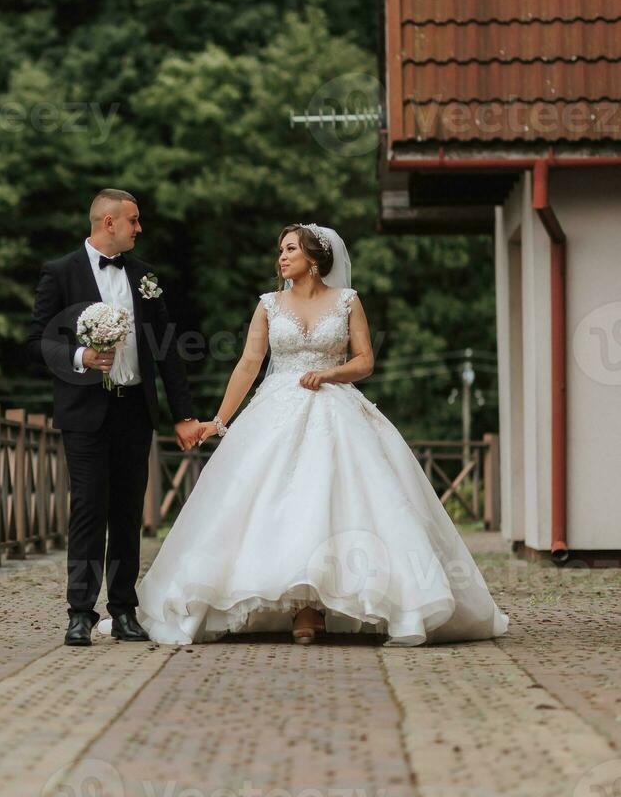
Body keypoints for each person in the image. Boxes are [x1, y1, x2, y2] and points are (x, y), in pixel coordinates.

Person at [133, 223, 508, 645]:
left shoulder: (348, 301)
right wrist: (219, 421)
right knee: (277, 502)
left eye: (290, 249)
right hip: (276, 409)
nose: (282, 257)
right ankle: (299, 607)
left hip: (335, 406)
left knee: (343, 498)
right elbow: (248, 364)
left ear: (314, 259)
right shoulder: (269, 305)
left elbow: (364, 360)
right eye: (280, 250)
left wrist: (331, 373)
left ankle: (369, 602)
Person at [25, 189, 202, 647]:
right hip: (84, 413)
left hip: (134, 410)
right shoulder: (59, 273)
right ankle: (79, 612)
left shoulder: (144, 277)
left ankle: (123, 610)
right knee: (88, 509)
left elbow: (166, 348)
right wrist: (81, 355)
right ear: (109, 223)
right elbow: (35, 342)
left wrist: (183, 414)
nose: (139, 229)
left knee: (127, 512)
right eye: (134, 221)